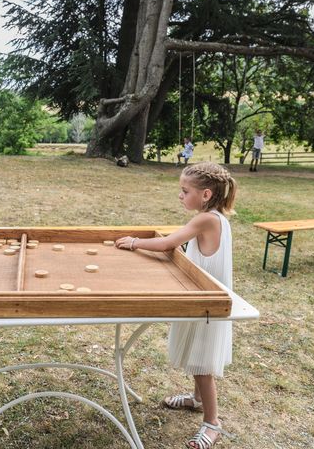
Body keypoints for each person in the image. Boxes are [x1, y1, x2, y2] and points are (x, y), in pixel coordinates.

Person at [115, 161, 237, 449]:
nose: (180, 196)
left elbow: (168, 243)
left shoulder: (206, 220)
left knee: (202, 364)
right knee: (198, 355)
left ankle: (212, 423)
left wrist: (134, 242)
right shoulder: (215, 217)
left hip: (207, 302)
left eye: (185, 191)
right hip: (200, 296)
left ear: (205, 195)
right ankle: (196, 400)